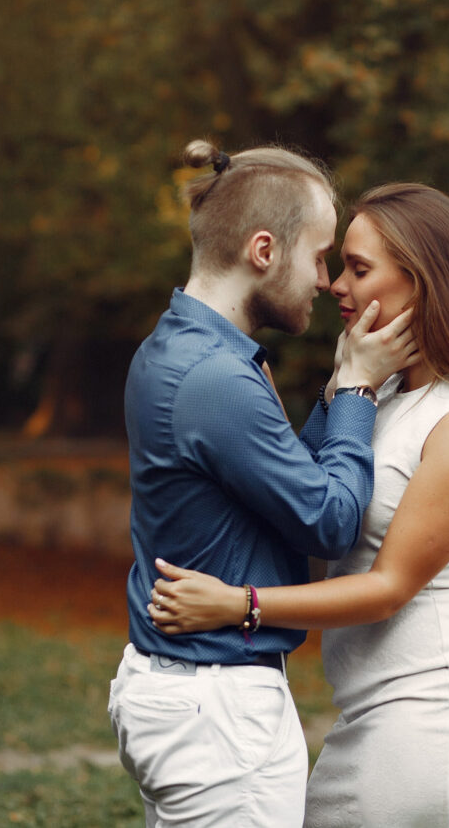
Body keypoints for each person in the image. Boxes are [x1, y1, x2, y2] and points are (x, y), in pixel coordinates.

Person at [148, 182, 449, 828]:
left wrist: (240, 604)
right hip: (379, 715)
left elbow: (388, 588)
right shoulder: (379, 399)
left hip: (434, 718)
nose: (336, 283)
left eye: (359, 268)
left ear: (425, 280)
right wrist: (342, 385)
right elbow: (303, 508)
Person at [108, 143, 418, 828]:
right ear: (262, 250)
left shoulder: (183, 348)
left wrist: (340, 391)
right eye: (318, 255)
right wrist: (361, 390)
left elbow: (281, 483)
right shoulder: (216, 380)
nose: (326, 280)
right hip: (216, 712)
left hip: (188, 695)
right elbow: (329, 519)